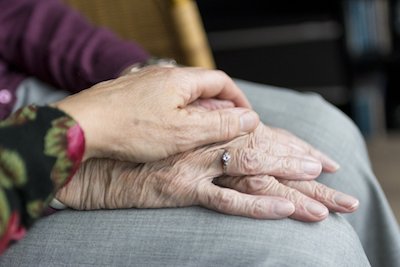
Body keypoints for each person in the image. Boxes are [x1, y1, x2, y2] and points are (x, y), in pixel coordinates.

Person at [0, 0, 399, 266]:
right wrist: (80, 165)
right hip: (14, 189)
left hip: (29, 93)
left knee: (325, 133)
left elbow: (15, 12)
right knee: (307, 247)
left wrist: (140, 78)